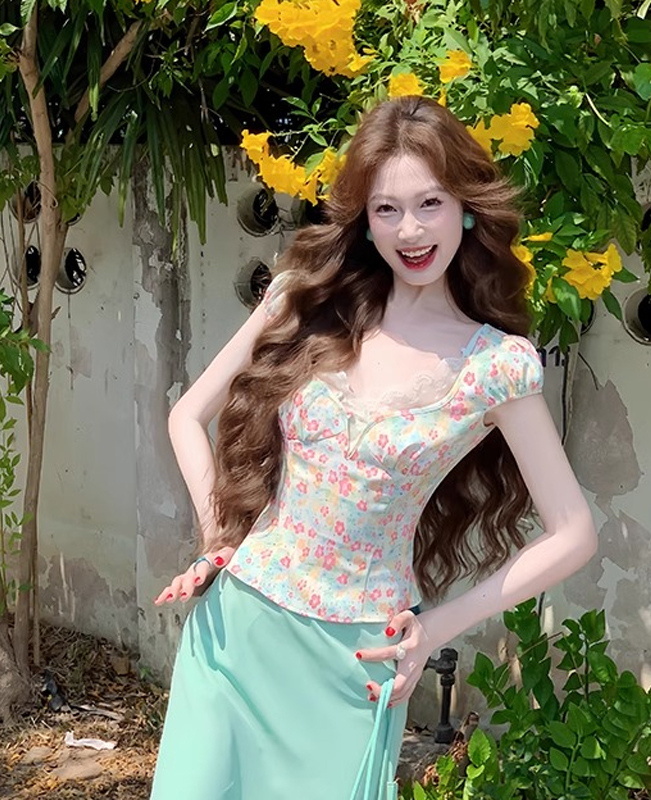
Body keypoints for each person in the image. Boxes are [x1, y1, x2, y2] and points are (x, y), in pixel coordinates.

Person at [149, 95, 597, 800]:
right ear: (364, 218)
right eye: (387, 209)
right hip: (237, 629)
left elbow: (574, 534)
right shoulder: (305, 298)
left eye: (430, 203)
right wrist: (219, 539)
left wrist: (435, 627)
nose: (410, 230)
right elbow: (187, 417)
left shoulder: (495, 366)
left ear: (466, 207)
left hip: (354, 658)